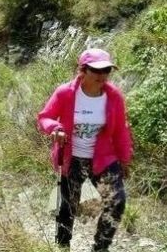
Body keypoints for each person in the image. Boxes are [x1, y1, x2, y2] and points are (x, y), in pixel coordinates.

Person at [37, 48, 133, 252]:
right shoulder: (65, 93)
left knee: (117, 201)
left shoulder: (114, 96)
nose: (102, 75)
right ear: (83, 70)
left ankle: (100, 247)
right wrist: (55, 128)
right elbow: (45, 117)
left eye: (106, 70)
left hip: (103, 158)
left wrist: (124, 160)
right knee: (67, 207)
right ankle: (63, 246)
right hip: (72, 158)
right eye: (96, 70)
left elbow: (121, 131)